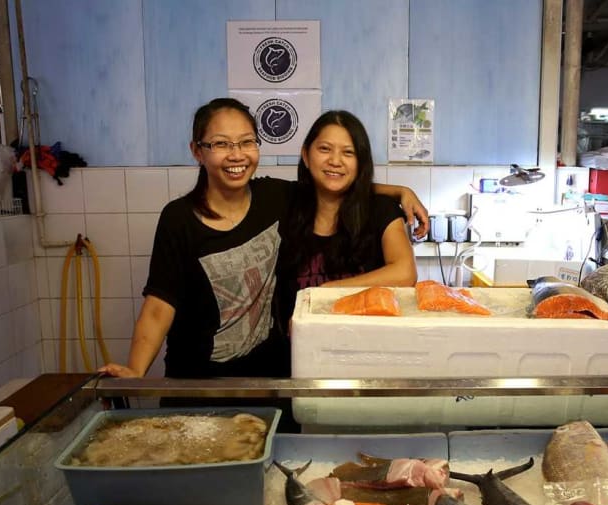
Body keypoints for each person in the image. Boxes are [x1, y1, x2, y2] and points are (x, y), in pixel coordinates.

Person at [99, 98, 427, 381]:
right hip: (196, 381)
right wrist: (136, 371)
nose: (236, 155)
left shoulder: (272, 197)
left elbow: (336, 185)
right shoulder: (179, 219)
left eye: (245, 142)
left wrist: (400, 191)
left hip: (268, 378)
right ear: (197, 151)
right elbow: (158, 306)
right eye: (221, 144)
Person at [275, 110, 417, 338]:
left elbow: (405, 273)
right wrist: (399, 189)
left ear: (360, 162)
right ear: (305, 154)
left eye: (348, 153)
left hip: (367, 347)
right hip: (296, 353)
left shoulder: (381, 210)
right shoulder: (285, 204)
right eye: (324, 149)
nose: (335, 160)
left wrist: (324, 292)